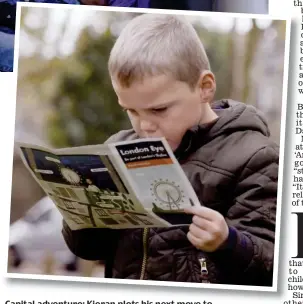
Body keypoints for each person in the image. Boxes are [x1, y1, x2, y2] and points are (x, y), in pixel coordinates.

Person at [62, 14, 278, 285]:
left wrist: (228, 242)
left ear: (204, 88)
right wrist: (81, 215)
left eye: (158, 109)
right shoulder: (118, 149)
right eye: (130, 111)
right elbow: (89, 250)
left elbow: (274, 265)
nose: (144, 126)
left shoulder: (255, 158)